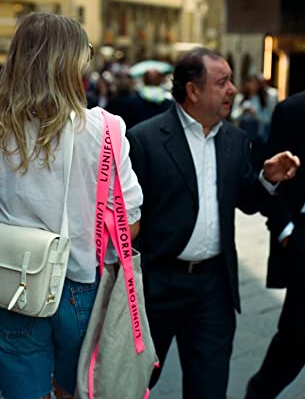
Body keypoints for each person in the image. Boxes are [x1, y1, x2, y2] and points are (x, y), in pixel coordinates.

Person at [0, 12, 142, 399]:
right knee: (73, 390)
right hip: (81, 288)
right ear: (73, 62)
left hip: (15, 288)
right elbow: (130, 226)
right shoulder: (106, 130)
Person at [126, 47, 299, 399]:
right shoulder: (144, 140)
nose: (233, 90)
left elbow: (247, 201)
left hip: (213, 289)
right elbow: (126, 217)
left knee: (209, 389)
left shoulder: (235, 141)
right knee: (131, 386)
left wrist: (267, 179)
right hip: (157, 286)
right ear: (193, 90)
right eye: (222, 82)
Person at [245, 91, 305, 399]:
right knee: (295, 340)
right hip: (303, 243)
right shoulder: (294, 111)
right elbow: (269, 176)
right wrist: (286, 231)